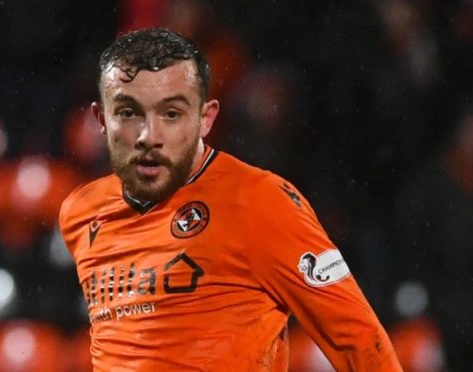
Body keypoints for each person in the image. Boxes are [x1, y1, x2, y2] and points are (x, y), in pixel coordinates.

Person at [59, 28, 401, 371]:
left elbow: (361, 342)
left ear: (205, 118)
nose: (150, 135)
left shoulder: (261, 202)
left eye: (172, 114)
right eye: (128, 112)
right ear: (101, 120)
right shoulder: (81, 213)